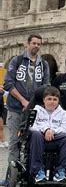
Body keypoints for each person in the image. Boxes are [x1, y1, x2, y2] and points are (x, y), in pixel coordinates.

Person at [4, 34, 50, 163]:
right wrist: (23, 101)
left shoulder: (44, 64)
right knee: (14, 142)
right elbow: (8, 83)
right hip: (16, 108)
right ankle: (11, 175)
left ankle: (28, 172)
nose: (36, 46)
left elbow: (46, 86)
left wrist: (34, 104)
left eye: (39, 44)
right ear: (27, 44)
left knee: (33, 140)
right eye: (34, 43)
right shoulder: (16, 61)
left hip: (35, 110)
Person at [29, 86, 66, 183]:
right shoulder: (36, 110)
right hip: (40, 137)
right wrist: (46, 130)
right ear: (43, 100)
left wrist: (52, 131)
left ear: (58, 101)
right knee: (35, 134)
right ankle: (38, 171)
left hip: (56, 138)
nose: (52, 102)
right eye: (49, 99)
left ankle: (61, 171)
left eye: (55, 99)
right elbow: (31, 125)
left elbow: (64, 128)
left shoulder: (63, 113)